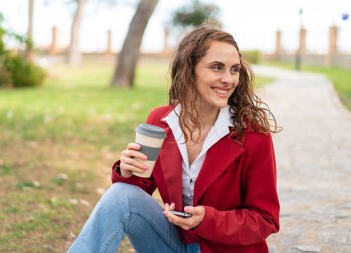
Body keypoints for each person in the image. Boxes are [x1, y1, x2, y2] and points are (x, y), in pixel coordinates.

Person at [67, 25, 280, 253]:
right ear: (189, 69)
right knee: (121, 195)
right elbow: (139, 189)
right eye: (217, 68)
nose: (228, 79)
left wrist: (207, 220)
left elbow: (266, 219)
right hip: (173, 244)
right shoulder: (161, 120)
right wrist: (127, 172)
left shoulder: (254, 134)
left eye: (234, 70)